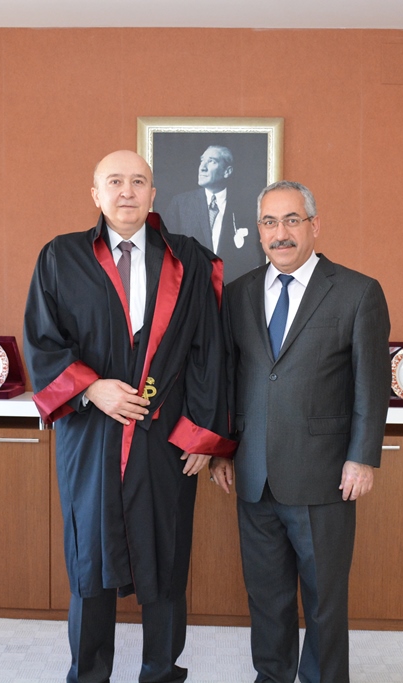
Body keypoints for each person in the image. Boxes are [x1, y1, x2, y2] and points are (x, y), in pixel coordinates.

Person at [24, 150, 236, 683]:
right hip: (90, 433)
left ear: (153, 193)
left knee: (165, 556)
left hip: (165, 434)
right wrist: (92, 388)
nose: (127, 191)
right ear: (95, 194)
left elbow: (209, 352)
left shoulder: (189, 260)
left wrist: (201, 436)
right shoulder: (61, 257)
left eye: (138, 181)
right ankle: (88, 673)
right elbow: (42, 340)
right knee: (89, 559)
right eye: (115, 181)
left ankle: (161, 672)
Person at [210, 180, 391, 683]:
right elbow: (229, 378)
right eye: (270, 222)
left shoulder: (358, 292)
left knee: (324, 599)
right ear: (259, 232)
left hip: (324, 476)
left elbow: (371, 383)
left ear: (315, 226)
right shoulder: (239, 294)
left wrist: (362, 457)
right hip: (254, 475)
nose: (281, 233)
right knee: (266, 596)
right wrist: (222, 449)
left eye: (292, 220)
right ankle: (272, 676)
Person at [163, 144, 265, 283]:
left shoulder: (247, 207)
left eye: (211, 161)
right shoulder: (180, 204)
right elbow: (167, 255)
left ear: (227, 172)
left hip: (233, 289)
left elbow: (255, 257)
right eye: (202, 160)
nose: (202, 167)